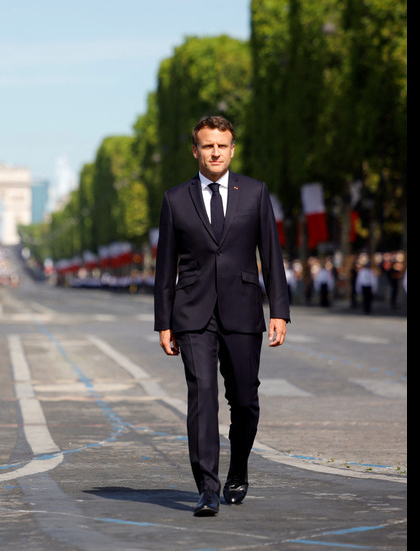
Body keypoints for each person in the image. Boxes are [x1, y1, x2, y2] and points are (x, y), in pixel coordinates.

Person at [153, 115, 290, 516]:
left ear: (232, 149)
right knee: (203, 397)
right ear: (195, 150)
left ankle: (239, 467)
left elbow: (273, 255)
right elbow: (164, 268)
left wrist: (279, 310)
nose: (215, 152)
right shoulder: (175, 199)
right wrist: (164, 320)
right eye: (207, 145)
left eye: (222, 145)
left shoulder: (255, 193)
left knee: (245, 401)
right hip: (192, 313)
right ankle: (207, 488)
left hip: (244, 309)